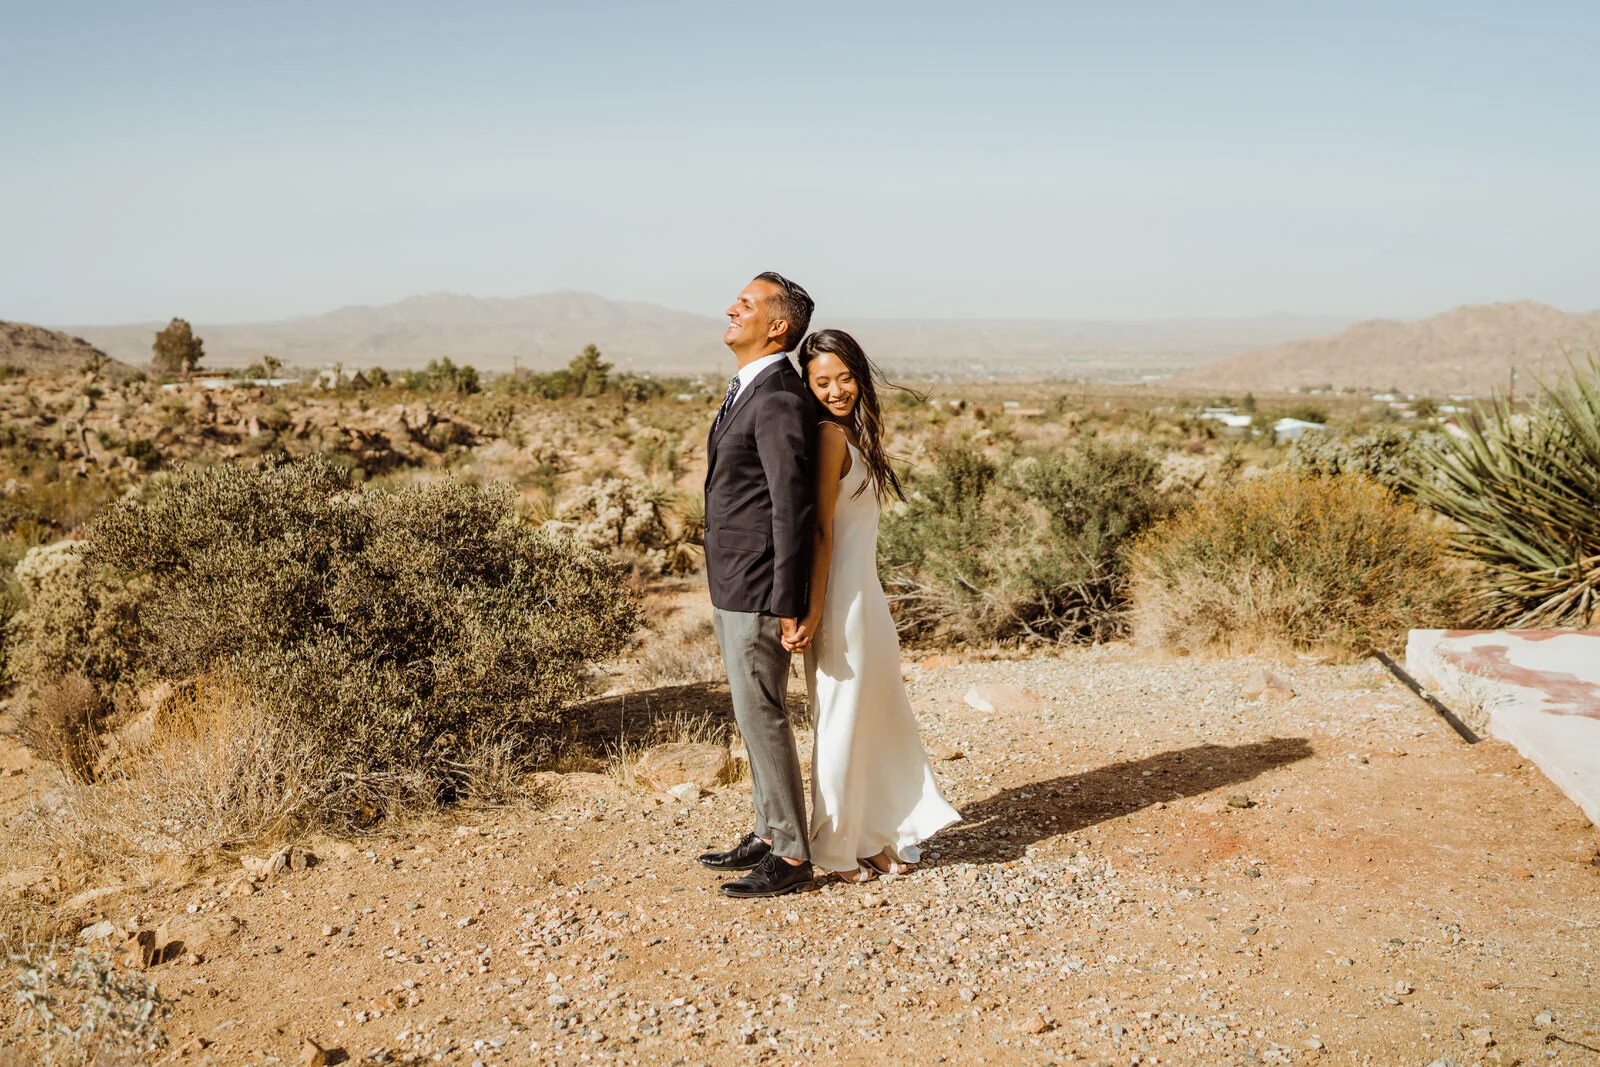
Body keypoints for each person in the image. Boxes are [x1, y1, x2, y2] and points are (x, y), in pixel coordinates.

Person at [787, 329, 961, 882]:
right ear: (807, 386)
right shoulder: (828, 438)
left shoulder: (851, 435)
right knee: (841, 720)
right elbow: (818, 530)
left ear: (860, 376)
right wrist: (812, 610)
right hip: (839, 601)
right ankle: (834, 847)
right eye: (822, 382)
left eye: (844, 378)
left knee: (873, 718)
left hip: (867, 599)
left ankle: (869, 835)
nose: (836, 390)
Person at [695, 272, 818, 899]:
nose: (730, 308)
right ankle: (769, 831)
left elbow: (790, 507)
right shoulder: (751, 388)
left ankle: (793, 854)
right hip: (733, 577)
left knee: (763, 713)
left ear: (777, 325)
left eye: (746, 303)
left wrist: (790, 601)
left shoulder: (776, 398)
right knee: (750, 710)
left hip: (757, 584)